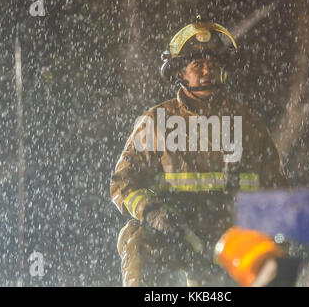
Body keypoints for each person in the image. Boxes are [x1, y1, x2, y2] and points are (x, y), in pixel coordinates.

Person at [110, 17, 289, 287]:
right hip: (177, 232)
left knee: (279, 255)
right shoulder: (157, 122)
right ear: (180, 72)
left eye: (214, 64)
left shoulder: (247, 123)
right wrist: (156, 213)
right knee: (135, 237)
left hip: (234, 236)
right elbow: (122, 183)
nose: (208, 70)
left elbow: (277, 189)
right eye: (198, 65)